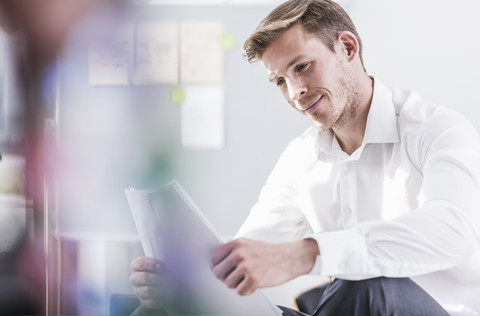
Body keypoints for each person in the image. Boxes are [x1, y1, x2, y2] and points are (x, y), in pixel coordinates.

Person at [130, 0, 480, 315]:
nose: (295, 92)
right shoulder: (301, 158)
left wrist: (309, 252)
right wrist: (179, 284)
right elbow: (251, 255)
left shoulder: (437, 129)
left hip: (438, 310)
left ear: (347, 47)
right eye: (280, 81)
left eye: (302, 66)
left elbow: (453, 230)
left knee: (363, 283)